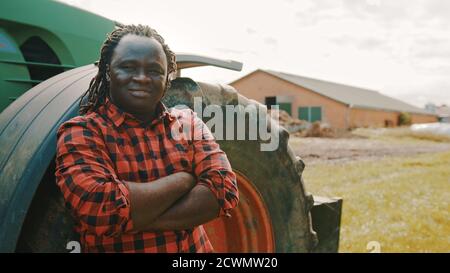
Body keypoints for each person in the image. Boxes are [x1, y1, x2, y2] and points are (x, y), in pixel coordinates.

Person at [55, 24, 239, 253]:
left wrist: (133, 220)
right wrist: (183, 180)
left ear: (166, 78)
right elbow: (101, 209)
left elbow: (223, 191)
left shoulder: (189, 124)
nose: (142, 78)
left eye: (154, 70)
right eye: (128, 67)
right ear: (108, 72)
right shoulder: (82, 132)